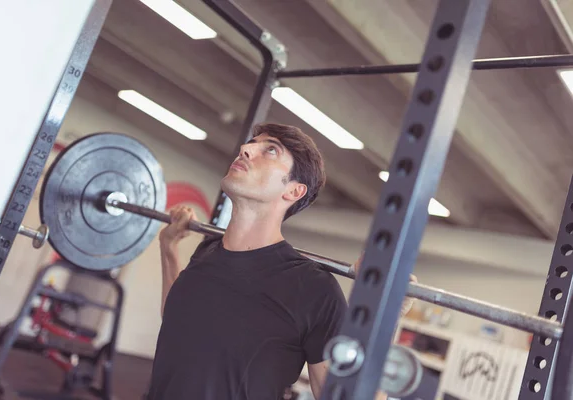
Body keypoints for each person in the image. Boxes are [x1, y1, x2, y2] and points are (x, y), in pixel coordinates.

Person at [147, 123, 416, 400]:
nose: (246, 149)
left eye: (271, 150)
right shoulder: (208, 251)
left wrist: (386, 316)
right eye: (251, 143)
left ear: (293, 191)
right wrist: (168, 248)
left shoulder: (313, 288)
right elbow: (177, 321)